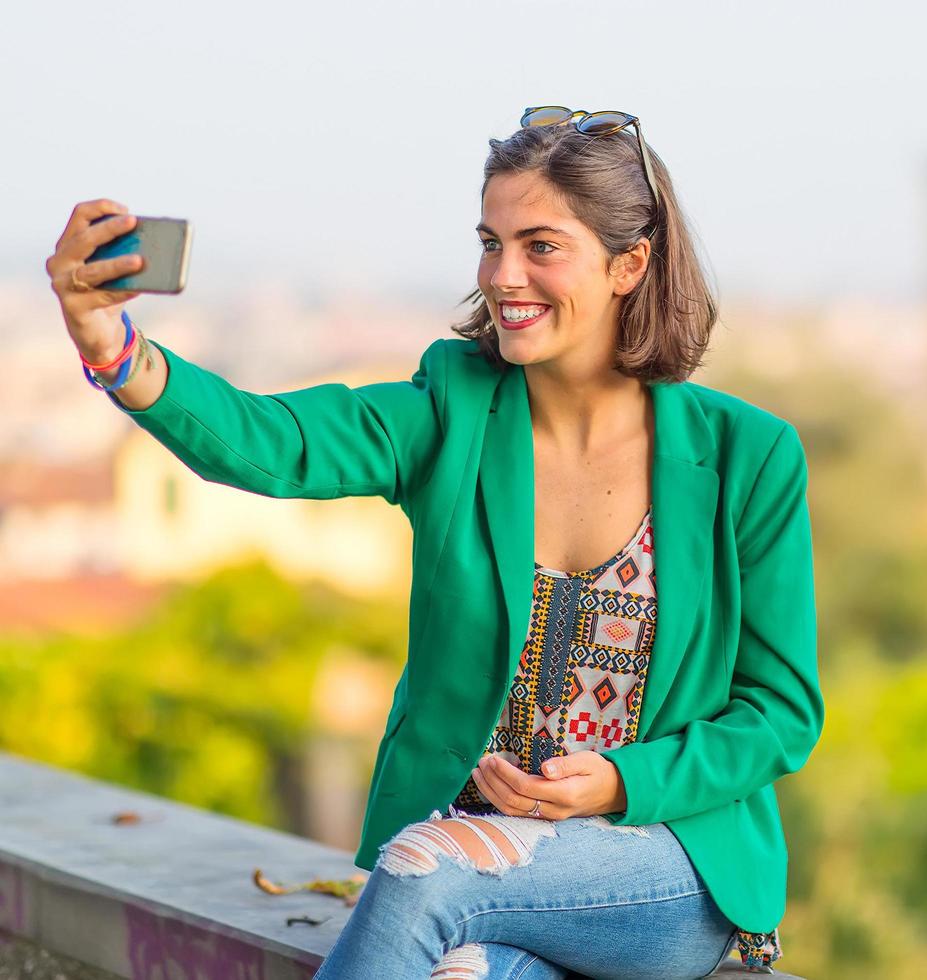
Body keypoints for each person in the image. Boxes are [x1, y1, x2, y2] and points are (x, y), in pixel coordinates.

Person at [45, 106, 822, 980]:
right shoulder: (452, 409)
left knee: (427, 866)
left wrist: (616, 784)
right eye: (491, 242)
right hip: (471, 865)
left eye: (542, 246)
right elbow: (276, 442)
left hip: (657, 867)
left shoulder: (746, 458)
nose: (504, 275)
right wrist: (110, 347)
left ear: (629, 264)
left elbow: (779, 713)